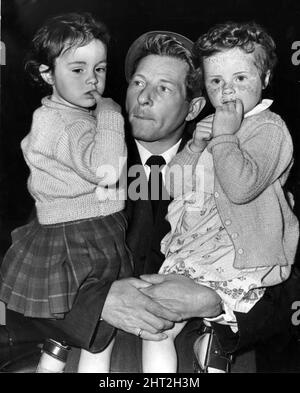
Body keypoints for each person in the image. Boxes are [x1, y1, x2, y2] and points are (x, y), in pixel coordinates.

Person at [1, 29, 299, 374]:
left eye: (163, 88)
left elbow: (286, 282)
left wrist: (215, 302)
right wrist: (94, 304)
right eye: (138, 83)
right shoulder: (71, 163)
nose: (143, 98)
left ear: (195, 108)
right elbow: (21, 282)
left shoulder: (241, 159)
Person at [138, 21, 299, 373]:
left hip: (235, 258)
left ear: (266, 77)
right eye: (216, 81)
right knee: (156, 329)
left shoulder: (269, 128)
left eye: (240, 78)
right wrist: (195, 147)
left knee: (211, 331)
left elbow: (242, 188)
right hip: (194, 248)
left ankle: (212, 347)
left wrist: (224, 138)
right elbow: (171, 188)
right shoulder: (208, 129)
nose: (227, 92)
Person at [0, 12, 133, 373]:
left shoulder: (58, 115)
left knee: (68, 335)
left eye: (100, 69)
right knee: (99, 337)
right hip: (80, 238)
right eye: (78, 69)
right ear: (47, 74)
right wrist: (110, 115)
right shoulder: (64, 123)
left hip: (77, 231)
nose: (92, 79)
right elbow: (106, 170)